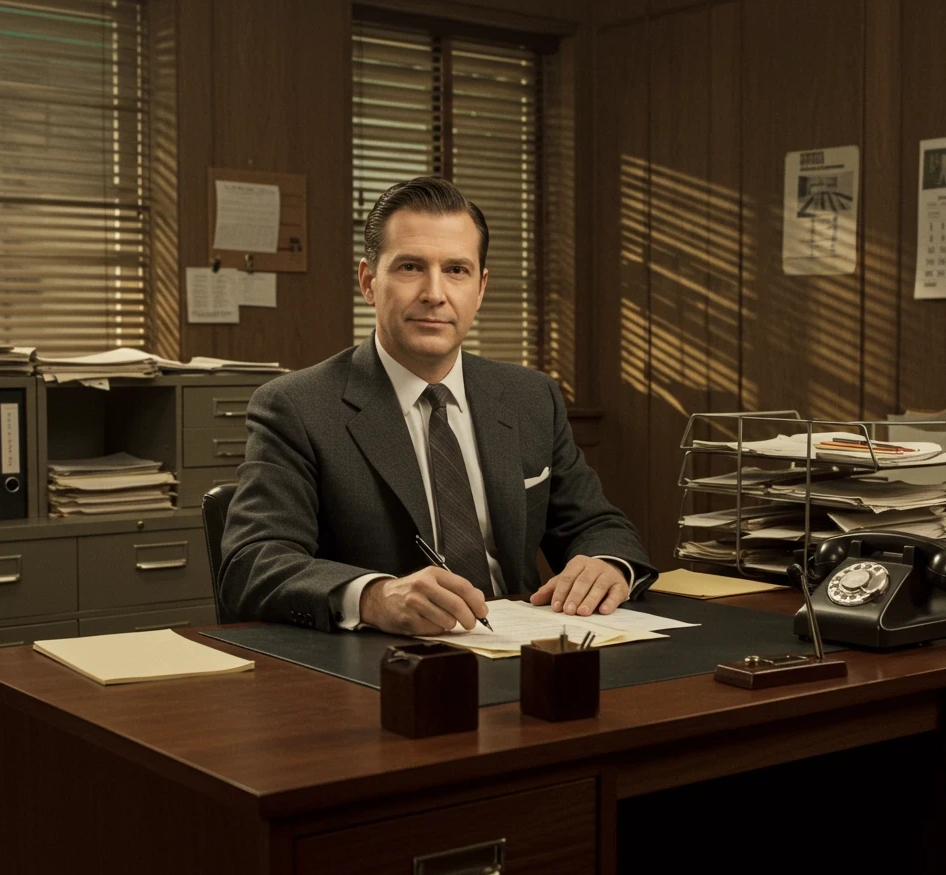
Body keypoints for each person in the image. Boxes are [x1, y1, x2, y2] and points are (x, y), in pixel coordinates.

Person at [219, 176, 654, 635]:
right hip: (387, 667)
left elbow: (600, 524)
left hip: (527, 653)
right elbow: (253, 562)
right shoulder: (297, 407)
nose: (434, 293)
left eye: (456, 270)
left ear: (481, 287)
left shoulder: (530, 397)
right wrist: (374, 596)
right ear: (369, 281)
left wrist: (608, 565)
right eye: (410, 267)